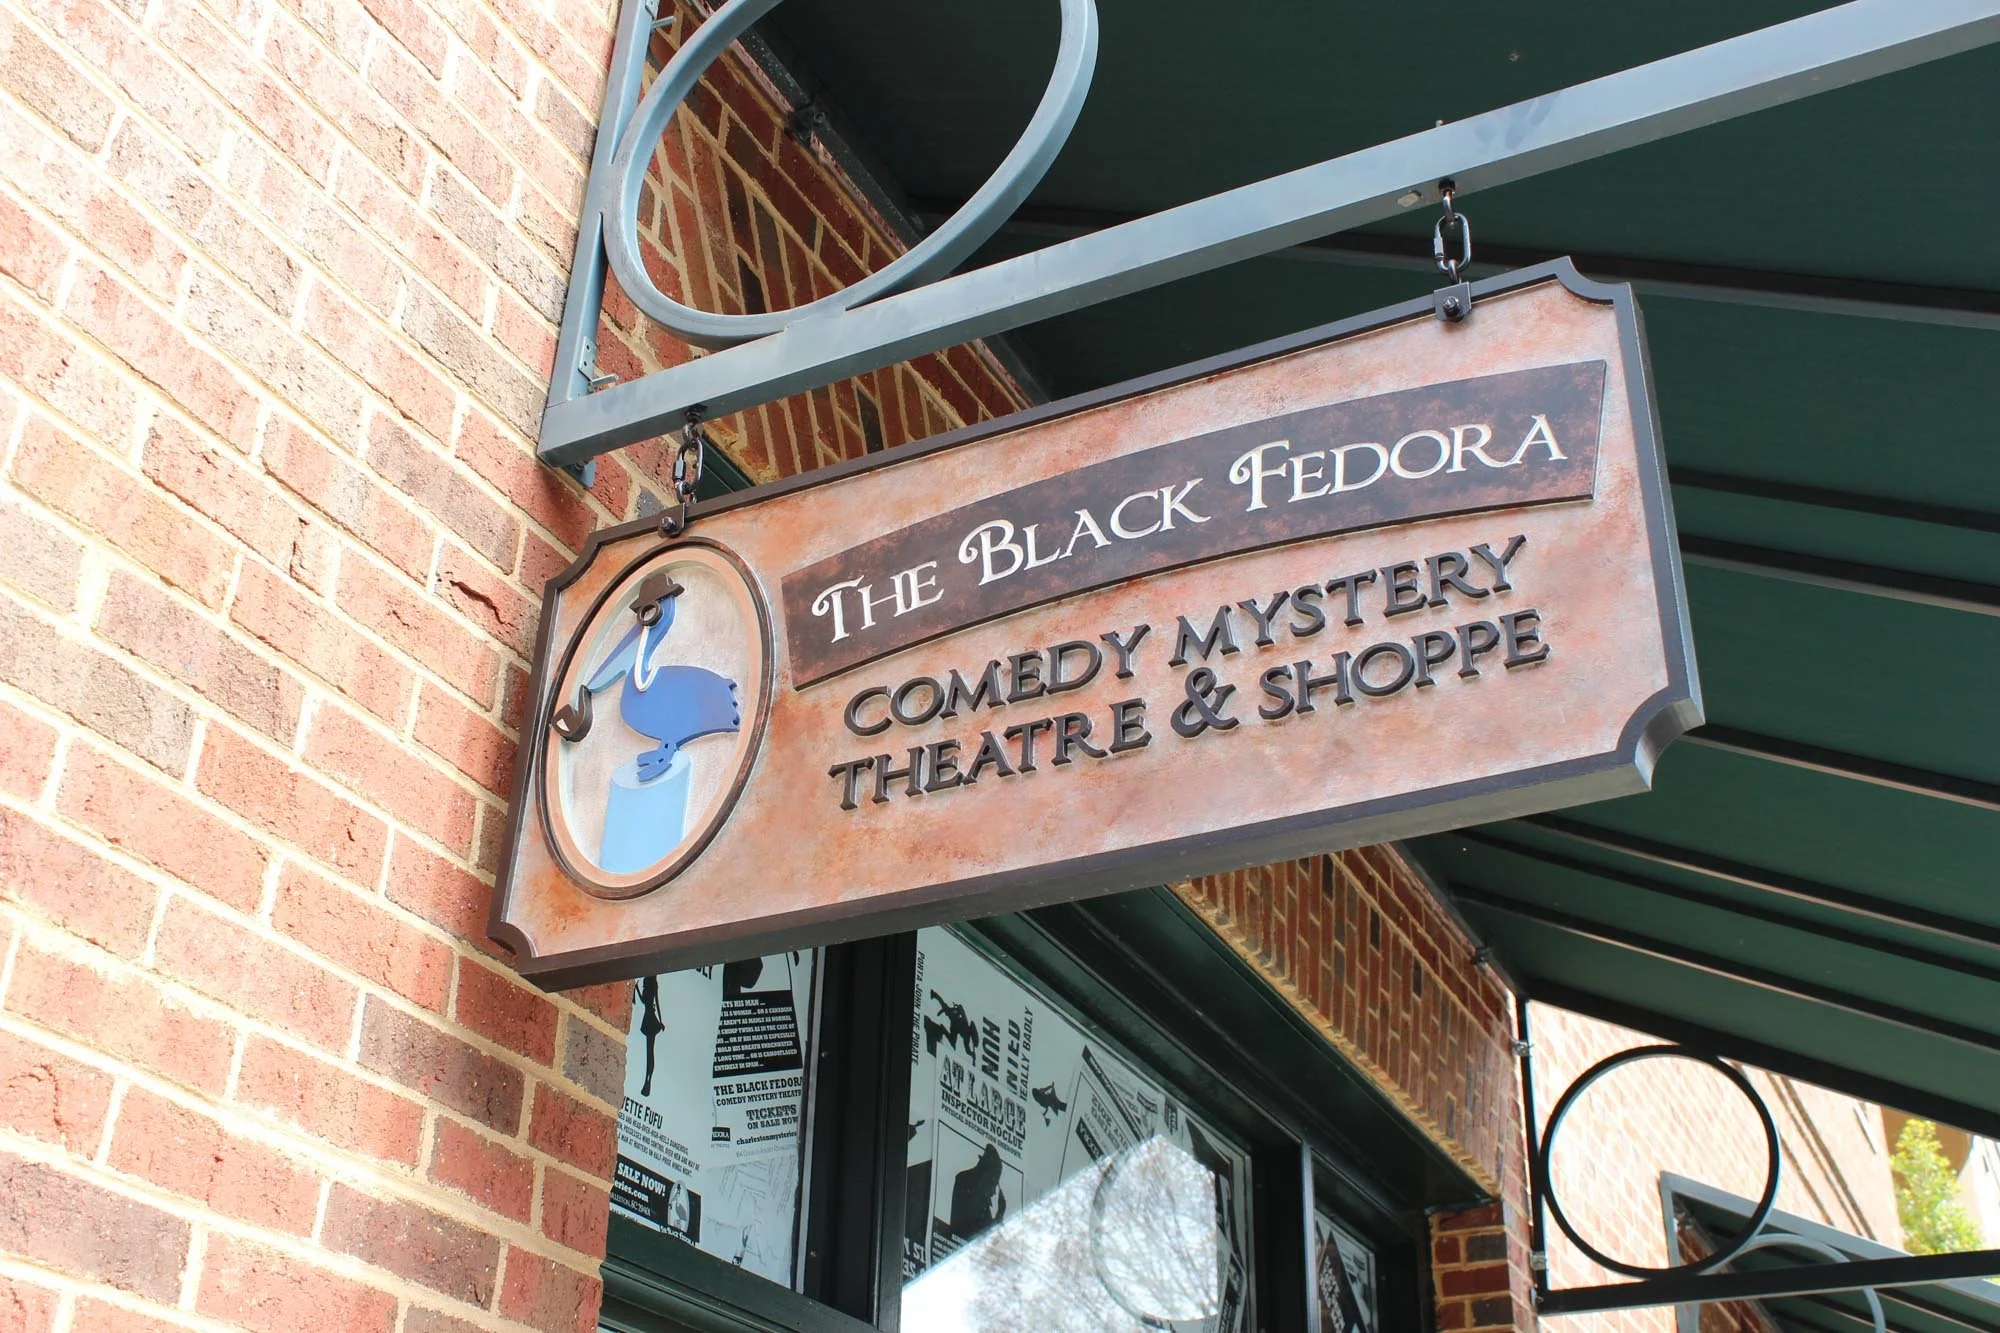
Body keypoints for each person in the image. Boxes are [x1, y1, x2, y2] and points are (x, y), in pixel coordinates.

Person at [635, 975, 666, 1096]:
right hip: (650, 1018)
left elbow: (651, 1002)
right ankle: (648, 1080)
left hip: (650, 1019)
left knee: (650, 1053)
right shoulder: (651, 986)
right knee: (650, 1053)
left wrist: (661, 1020)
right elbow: (651, 1002)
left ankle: (648, 1080)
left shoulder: (650, 986)